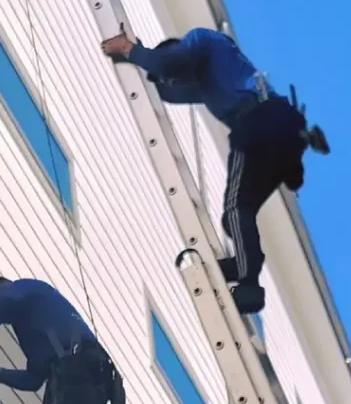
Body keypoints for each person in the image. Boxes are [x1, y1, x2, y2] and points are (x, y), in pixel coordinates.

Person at [102, 26, 330, 315]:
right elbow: (169, 91)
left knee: (236, 210)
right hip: (280, 132)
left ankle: (249, 287)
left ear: (179, 50)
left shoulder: (201, 41)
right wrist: (144, 64)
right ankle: (242, 266)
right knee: (236, 218)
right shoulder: (213, 74)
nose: (175, 80)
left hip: (259, 124)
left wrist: (131, 50)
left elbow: (167, 64)